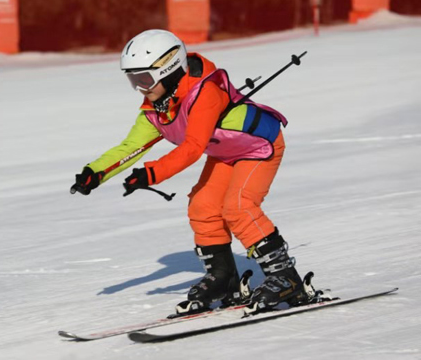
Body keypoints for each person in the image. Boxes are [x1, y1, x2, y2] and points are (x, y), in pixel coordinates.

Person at [72, 29, 307, 315]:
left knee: (239, 207)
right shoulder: (157, 108)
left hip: (259, 147)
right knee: (203, 205)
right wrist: (95, 173)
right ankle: (224, 279)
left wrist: (151, 173)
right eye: (133, 80)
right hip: (226, 153)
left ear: (168, 70)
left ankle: (286, 279)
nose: (140, 88)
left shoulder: (204, 93)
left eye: (144, 79)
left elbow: (194, 147)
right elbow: (131, 146)